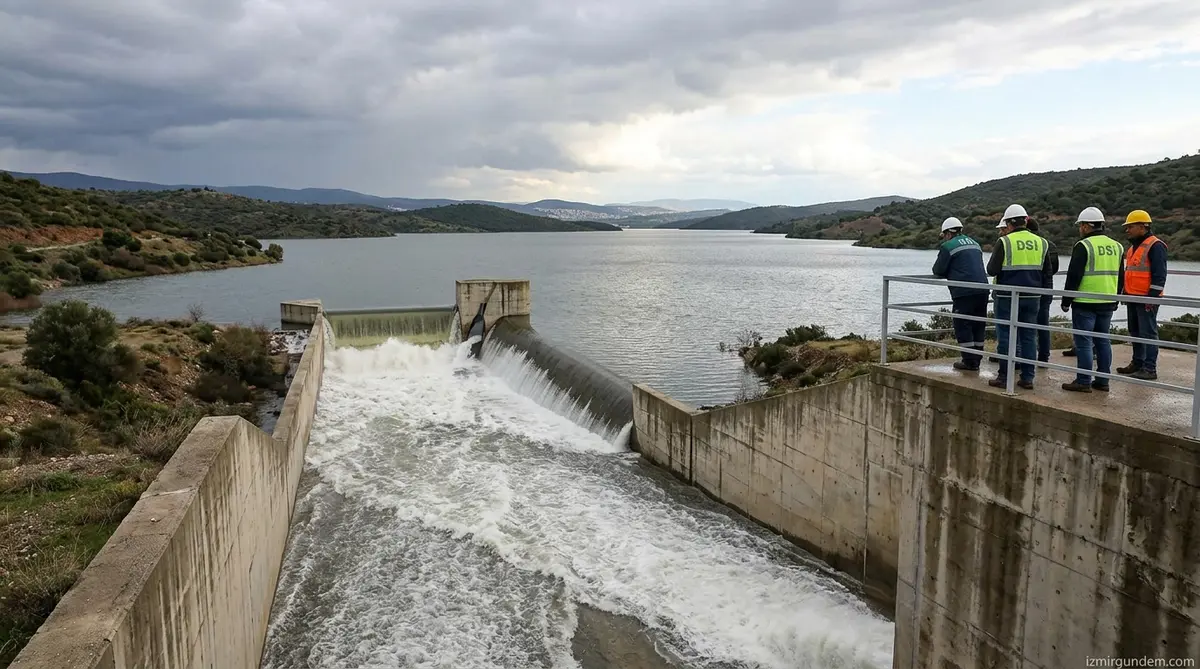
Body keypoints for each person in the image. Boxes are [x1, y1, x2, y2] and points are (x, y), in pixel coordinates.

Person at [987, 204, 1052, 389]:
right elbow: (1047, 272)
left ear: (1008, 223)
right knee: (1029, 337)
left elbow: (991, 269)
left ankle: (1004, 377)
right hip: (1033, 297)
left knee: (1006, 335)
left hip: (1007, 297)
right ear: (1026, 220)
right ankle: (1027, 378)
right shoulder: (1042, 242)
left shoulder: (1005, 242)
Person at [1059, 207, 1122, 392]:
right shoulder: (1117, 246)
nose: (1080, 229)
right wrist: (1116, 298)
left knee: (1084, 342)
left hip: (1085, 302)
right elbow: (1121, 276)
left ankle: (1083, 381)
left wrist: (1066, 300)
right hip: (1108, 301)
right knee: (1103, 341)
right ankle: (1103, 381)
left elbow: (1074, 276)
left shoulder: (1083, 245)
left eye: (1081, 226)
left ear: (1086, 226)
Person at [932, 217, 989, 370]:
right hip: (983, 290)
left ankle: (969, 361)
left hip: (964, 292)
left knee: (962, 325)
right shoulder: (975, 244)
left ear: (948, 233)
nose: (944, 238)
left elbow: (938, 270)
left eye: (944, 235)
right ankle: (976, 358)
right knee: (978, 324)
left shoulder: (948, 246)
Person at [1118, 209, 1168, 380]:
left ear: (1142, 226)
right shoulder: (1133, 247)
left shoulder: (1156, 246)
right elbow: (1130, 272)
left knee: (1148, 333)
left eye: (1130, 226)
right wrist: (1125, 292)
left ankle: (1150, 369)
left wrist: (1151, 298)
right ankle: (1137, 363)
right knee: (1135, 331)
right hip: (1133, 297)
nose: (1127, 230)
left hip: (1147, 298)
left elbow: (1159, 275)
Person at [1025, 219, 1060, 363]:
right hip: (1047, 289)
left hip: (1032, 289)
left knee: (1027, 325)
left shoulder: (1031, 245)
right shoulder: (1049, 244)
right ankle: (1044, 355)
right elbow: (1054, 268)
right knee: (1043, 324)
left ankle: (1028, 357)